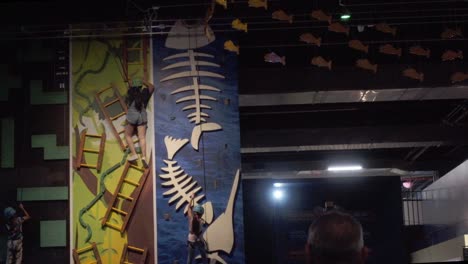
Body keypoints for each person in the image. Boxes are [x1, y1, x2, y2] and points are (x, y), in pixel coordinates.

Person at [125, 78, 154, 168]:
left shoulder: (130, 93)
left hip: (132, 116)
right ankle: (144, 157)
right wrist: (143, 80)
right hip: (142, 115)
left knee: (128, 135)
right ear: (141, 86)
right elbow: (151, 87)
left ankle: (134, 154)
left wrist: (131, 81)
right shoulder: (145, 93)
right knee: (142, 137)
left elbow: (129, 83)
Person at [187, 194, 207, 264]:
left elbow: (188, 208)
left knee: (189, 259)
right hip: (199, 241)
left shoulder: (191, 218)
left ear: (195, 212)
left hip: (191, 240)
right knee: (204, 257)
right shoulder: (201, 221)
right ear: (201, 214)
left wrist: (192, 198)